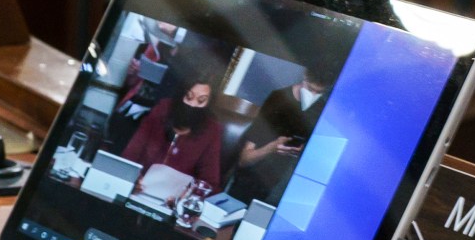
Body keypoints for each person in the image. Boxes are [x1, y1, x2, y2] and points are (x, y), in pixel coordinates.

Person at [229, 74, 327, 207]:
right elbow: (244, 160)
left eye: (319, 92)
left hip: (288, 191)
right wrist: (272, 147)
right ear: (304, 77)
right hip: (251, 184)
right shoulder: (277, 100)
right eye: (310, 89)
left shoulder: (322, 109)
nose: (313, 95)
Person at [119, 80, 226, 192]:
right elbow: (130, 155)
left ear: (208, 104)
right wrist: (132, 178)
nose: (193, 104)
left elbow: (209, 182)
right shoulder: (162, 110)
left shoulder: (211, 129)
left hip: (175, 199)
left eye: (201, 101)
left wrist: (187, 194)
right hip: (139, 189)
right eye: (188, 97)